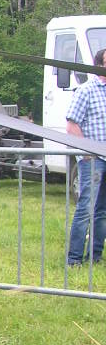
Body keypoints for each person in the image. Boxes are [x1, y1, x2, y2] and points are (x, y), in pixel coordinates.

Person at [66, 48, 106, 266]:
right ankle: (74, 259)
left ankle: (95, 256)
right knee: (86, 209)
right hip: (93, 160)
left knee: (103, 211)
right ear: (98, 65)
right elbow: (72, 125)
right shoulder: (86, 91)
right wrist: (88, 153)